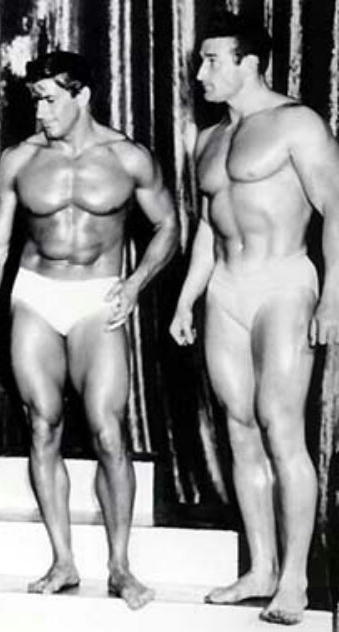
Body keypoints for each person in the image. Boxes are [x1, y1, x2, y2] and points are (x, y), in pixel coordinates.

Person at [0, 51, 178, 610]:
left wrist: (135, 283)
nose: (39, 112)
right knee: (43, 424)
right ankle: (62, 560)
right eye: (34, 100)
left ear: (81, 94)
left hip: (96, 296)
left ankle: (120, 566)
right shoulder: (18, 160)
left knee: (108, 429)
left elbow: (168, 226)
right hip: (34, 295)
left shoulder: (128, 157)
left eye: (49, 100)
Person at [169, 11, 339, 626]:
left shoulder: (297, 123)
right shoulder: (208, 139)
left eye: (212, 61)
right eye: (200, 60)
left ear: (249, 63)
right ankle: (261, 568)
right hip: (225, 289)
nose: (200, 73)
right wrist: (187, 298)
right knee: (239, 428)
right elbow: (208, 230)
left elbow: (336, 208)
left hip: (284, 282)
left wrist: (333, 296)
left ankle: (295, 578)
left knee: (279, 423)